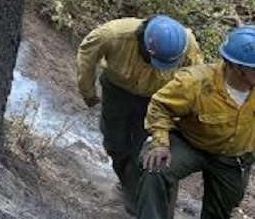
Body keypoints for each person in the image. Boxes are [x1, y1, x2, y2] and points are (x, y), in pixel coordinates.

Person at [77, 15, 203, 213]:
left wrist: (185, 116)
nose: (156, 67)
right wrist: (88, 91)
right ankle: (126, 182)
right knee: (115, 144)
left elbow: (195, 80)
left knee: (145, 151)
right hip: (118, 92)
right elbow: (86, 54)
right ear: (143, 44)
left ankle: (137, 198)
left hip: (158, 100)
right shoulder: (113, 35)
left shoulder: (187, 44)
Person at [136, 24, 255, 219]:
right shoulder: (195, 82)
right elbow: (160, 106)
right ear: (240, 68)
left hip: (234, 157)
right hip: (190, 143)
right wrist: (159, 142)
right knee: (155, 168)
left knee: (223, 211)